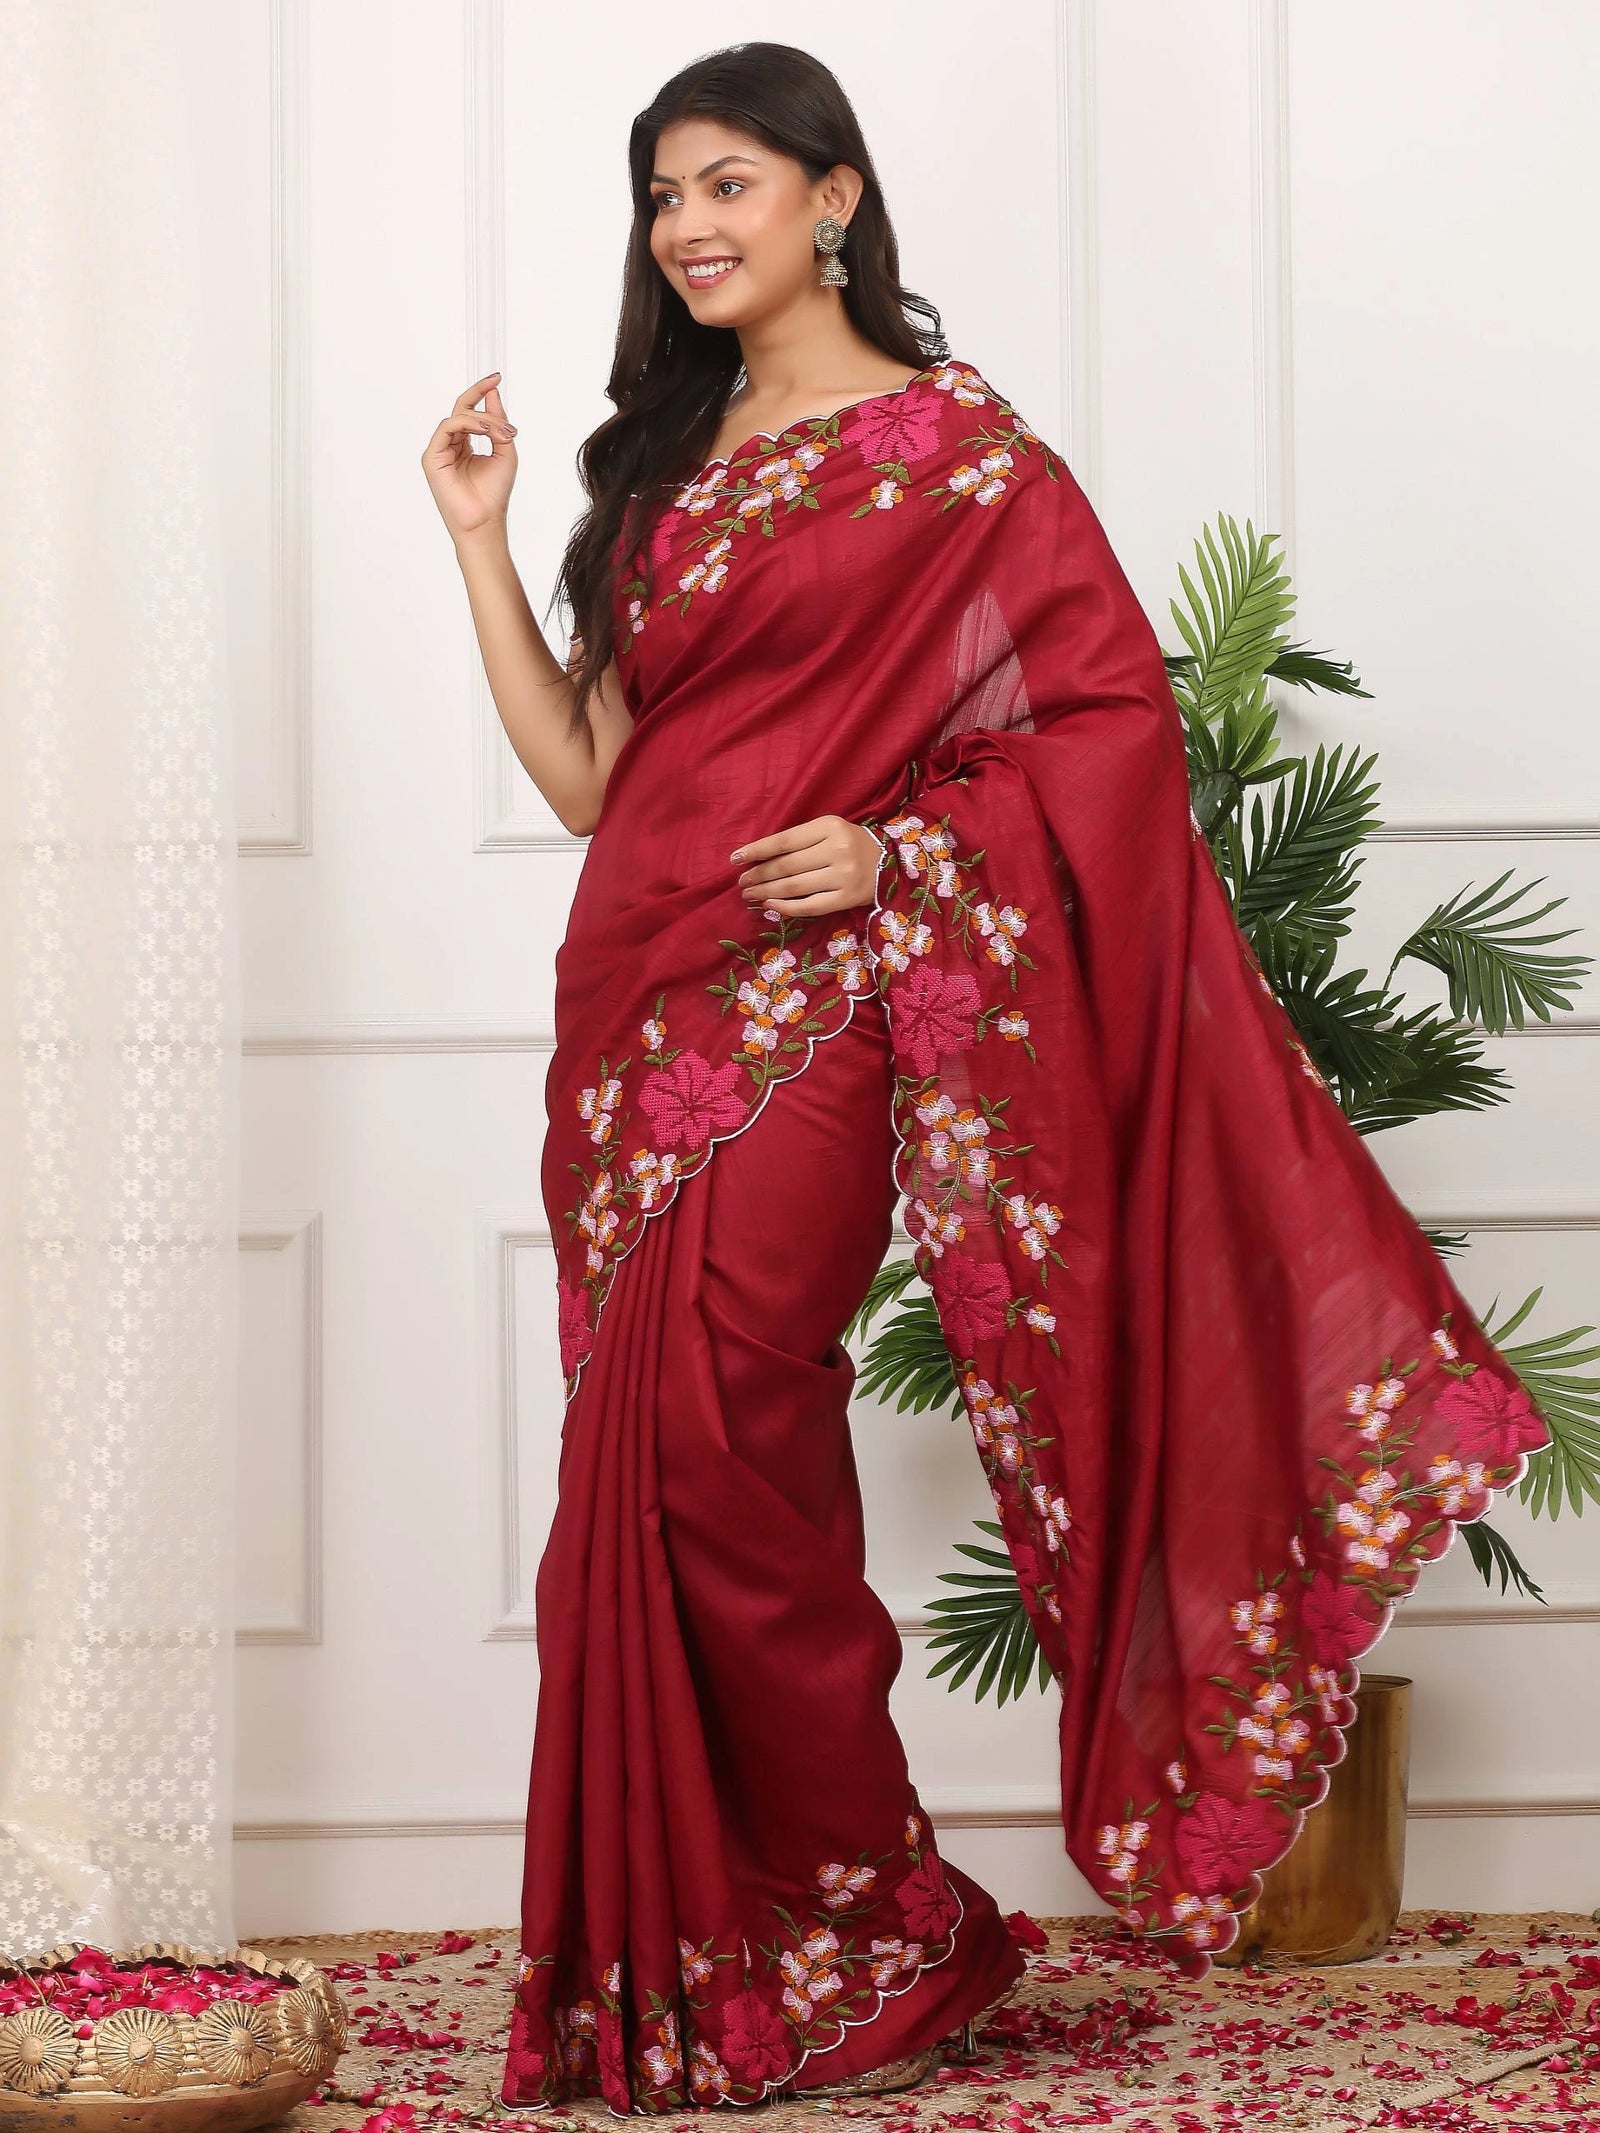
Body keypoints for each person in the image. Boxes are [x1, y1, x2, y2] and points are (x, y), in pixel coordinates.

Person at [420, 40, 1548, 2119]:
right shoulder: (659, 474)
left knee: (723, 1453)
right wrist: (481, 538)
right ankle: (714, 1940)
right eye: (662, 191)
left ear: (832, 197)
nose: (687, 224)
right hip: (630, 1023)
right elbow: (596, 778)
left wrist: (895, 852)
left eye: (729, 181)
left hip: (815, 1012)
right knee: (640, 1483)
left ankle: (873, 1918)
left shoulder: (961, 462)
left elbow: (1107, 730)